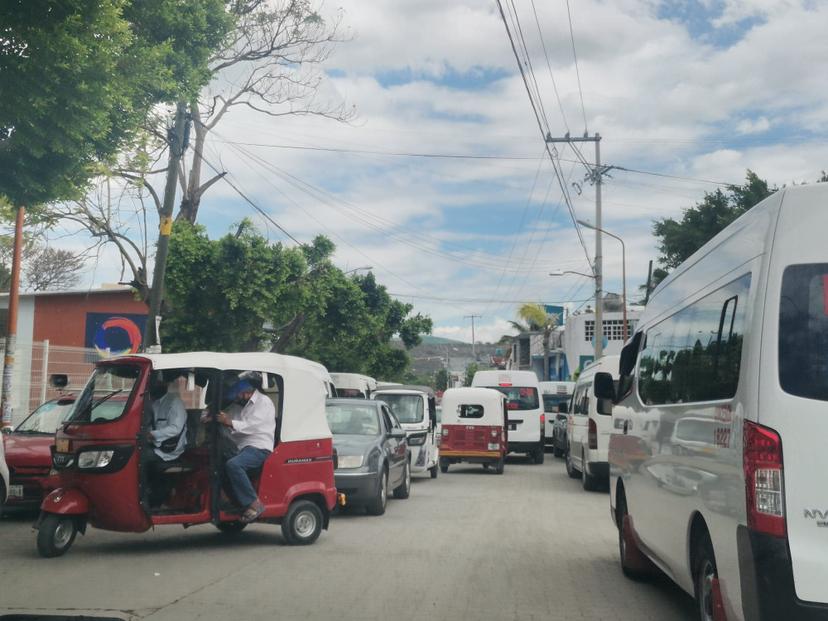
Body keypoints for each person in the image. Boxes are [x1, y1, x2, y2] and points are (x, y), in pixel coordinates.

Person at [216, 379, 275, 523]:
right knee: (218, 466)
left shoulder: (264, 402)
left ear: (247, 393)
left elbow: (252, 427)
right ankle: (236, 502)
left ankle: (254, 503)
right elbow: (233, 426)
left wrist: (229, 422)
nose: (236, 399)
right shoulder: (239, 406)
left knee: (234, 465)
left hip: (259, 447)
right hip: (242, 448)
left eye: (238, 396)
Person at [144, 377, 188, 507]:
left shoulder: (175, 402)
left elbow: (175, 429)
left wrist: (152, 435)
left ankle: (147, 498)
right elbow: (151, 424)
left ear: (165, 384)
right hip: (154, 446)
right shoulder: (154, 403)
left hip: (170, 449)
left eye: (156, 383)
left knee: (139, 459)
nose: (152, 386)